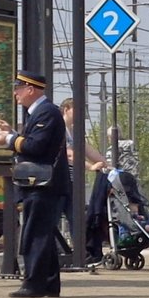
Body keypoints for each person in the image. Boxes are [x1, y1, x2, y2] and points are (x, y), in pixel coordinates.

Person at [0, 69, 70, 298]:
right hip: (41, 183)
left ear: (30, 89)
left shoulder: (46, 112)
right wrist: (14, 134)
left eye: (18, 89)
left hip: (43, 184)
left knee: (35, 233)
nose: (15, 93)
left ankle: (33, 285)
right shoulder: (40, 113)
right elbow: (36, 142)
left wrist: (8, 139)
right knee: (42, 232)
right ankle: (49, 283)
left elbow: (36, 147)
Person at [60, 98, 105, 257]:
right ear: (66, 109)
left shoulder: (73, 131)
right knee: (66, 215)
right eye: (76, 110)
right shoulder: (59, 128)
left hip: (71, 180)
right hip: (59, 179)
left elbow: (86, 149)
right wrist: (90, 167)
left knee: (76, 215)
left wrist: (105, 164)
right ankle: (76, 251)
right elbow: (69, 154)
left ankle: (81, 251)